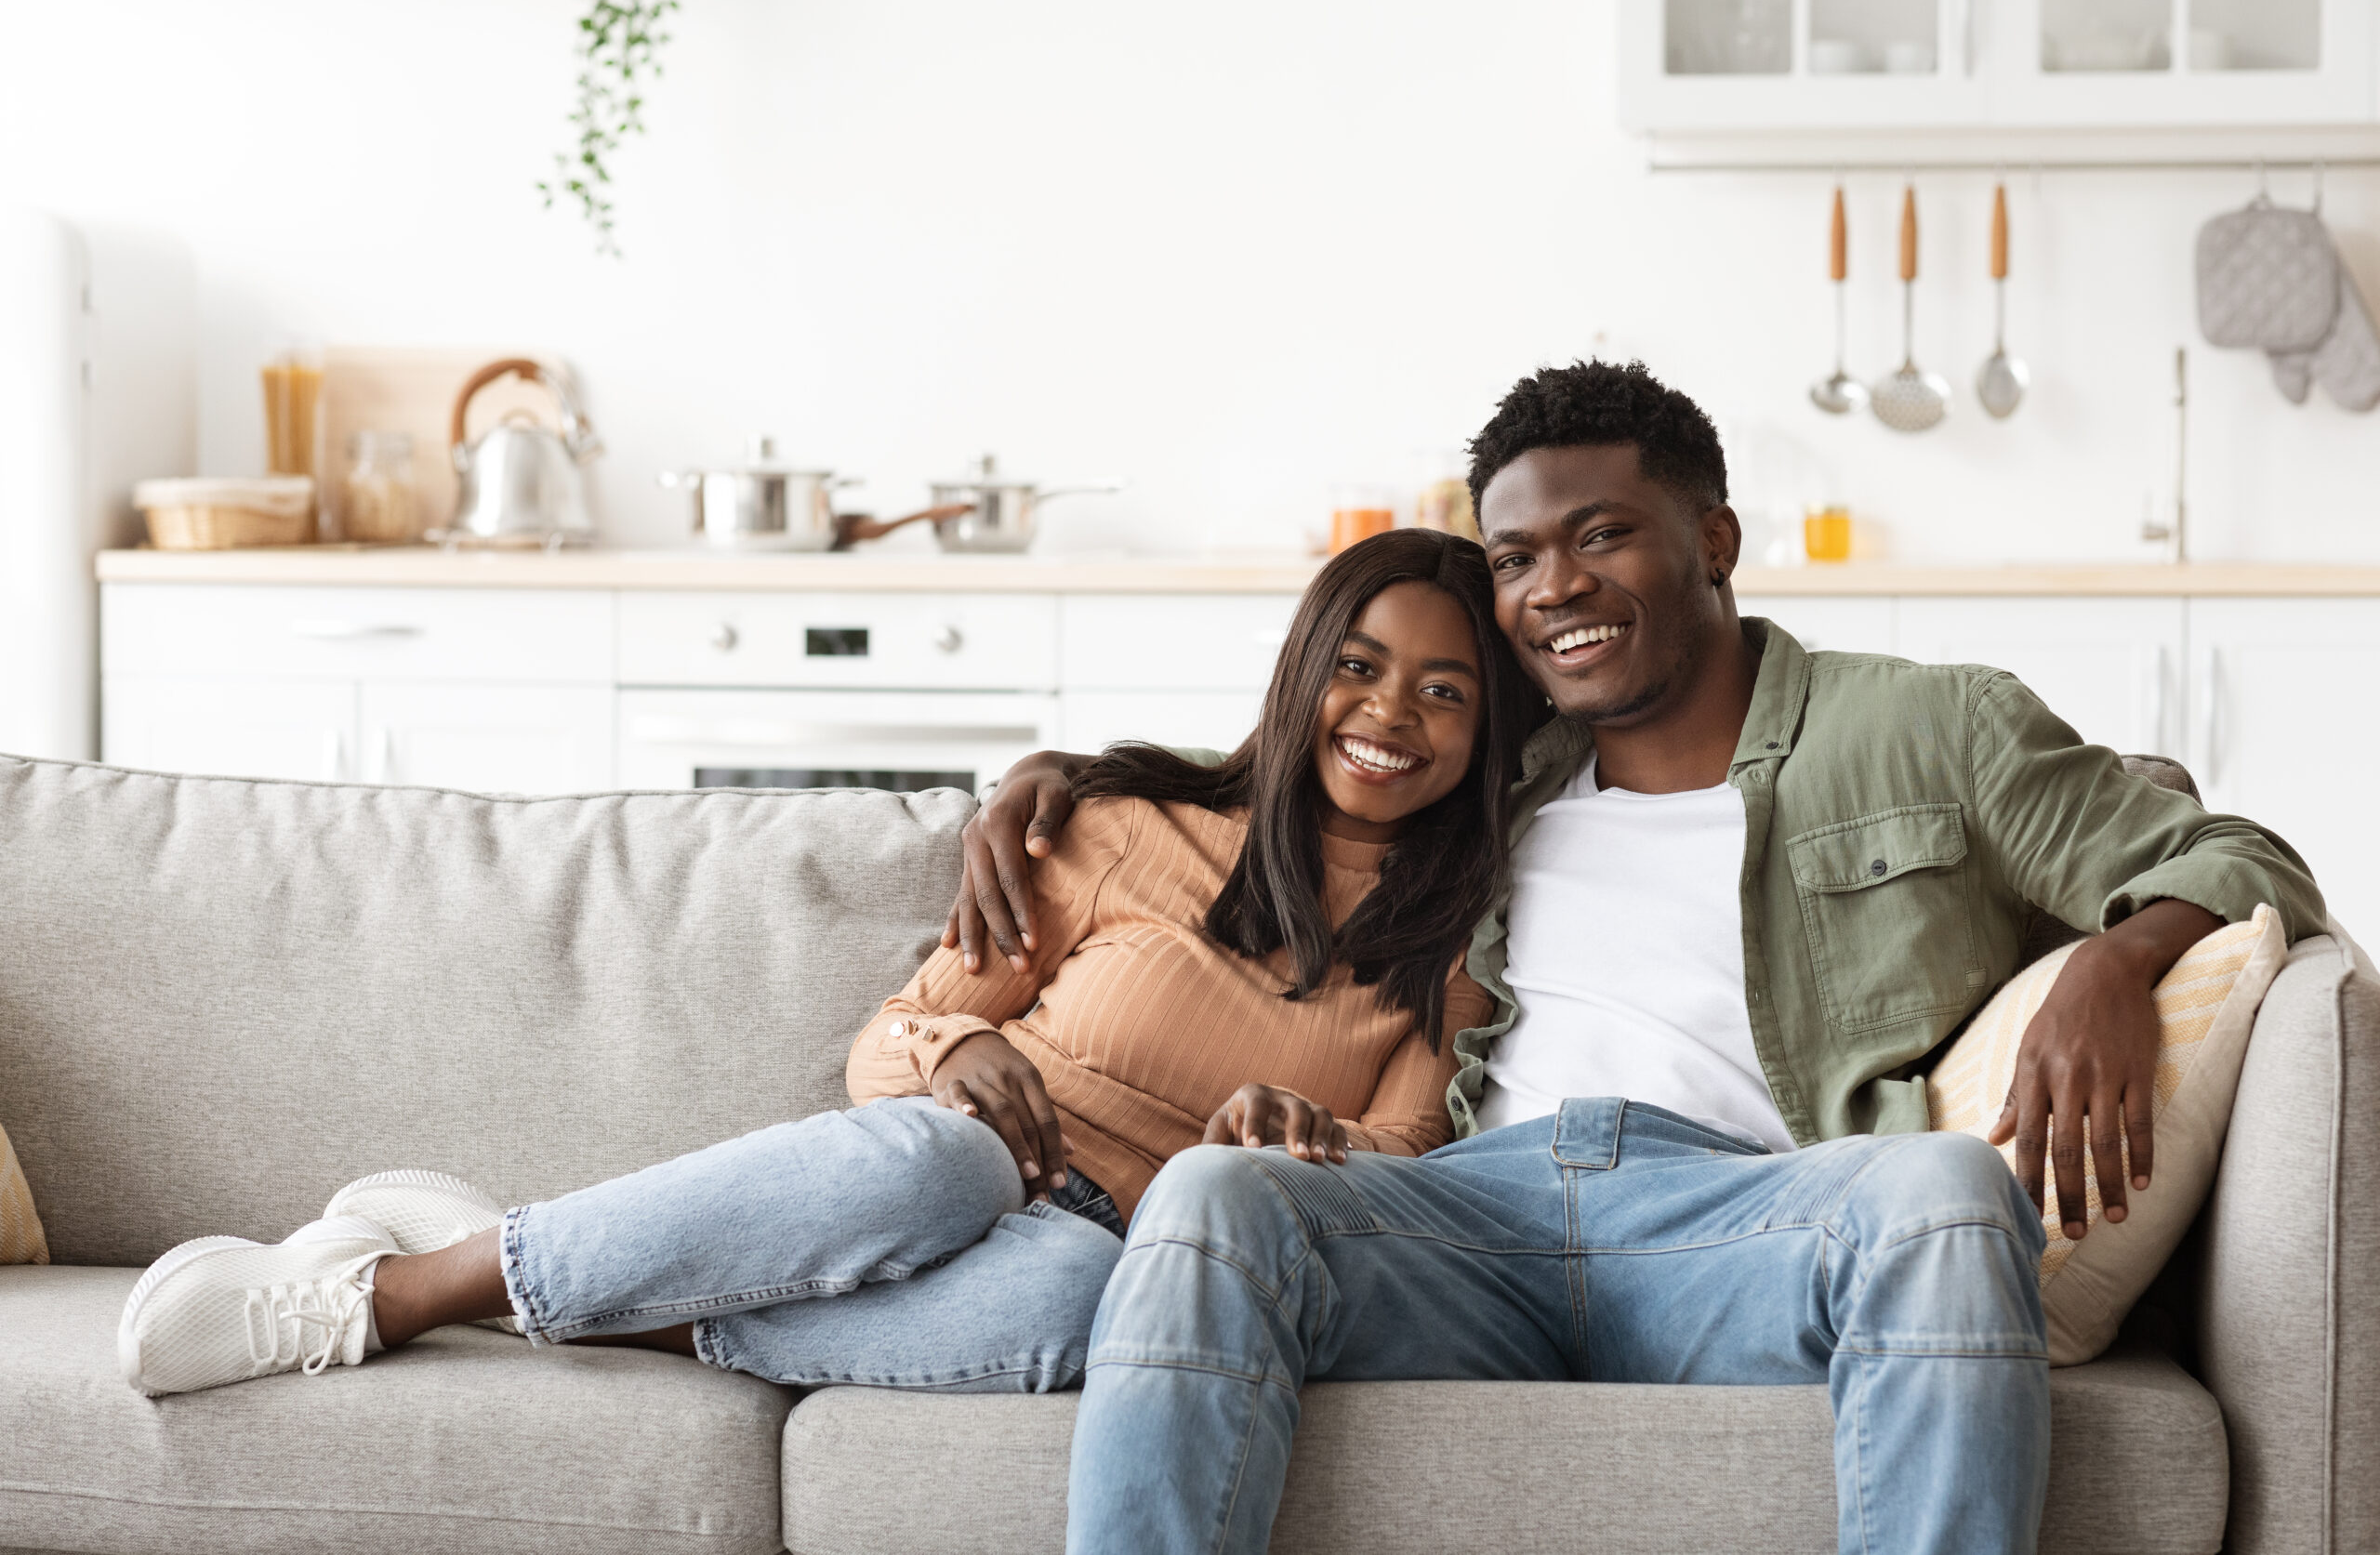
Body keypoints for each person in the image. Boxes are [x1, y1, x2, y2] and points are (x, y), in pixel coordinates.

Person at [955, 361, 2328, 1555]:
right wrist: (1057, 776)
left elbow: (2245, 861)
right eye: (1514, 558)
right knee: (1217, 1197)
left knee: (1951, 1196)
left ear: (1714, 537)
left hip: (1745, 1224)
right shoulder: (1499, 762)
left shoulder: (1929, 726)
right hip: (1470, 1222)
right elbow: (1299, 765)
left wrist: (2113, 961)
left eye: (1600, 536)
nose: (1555, 589)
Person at [116, 527, 1538, 1400]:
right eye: (1358, 666)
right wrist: (959, 1053)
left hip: (1116, 1251)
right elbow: (891, 1044)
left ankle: (503, 1269)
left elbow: (1403, 1171)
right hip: (961, 1167)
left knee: (1076, 1316)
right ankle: (383, 1297)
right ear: (1302, 679)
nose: (1389, 713)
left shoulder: (1444, 967)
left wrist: (1296, 1153)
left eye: (1444, 689)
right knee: (941, 1161)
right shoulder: (1119, 831)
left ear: (1487, 735)